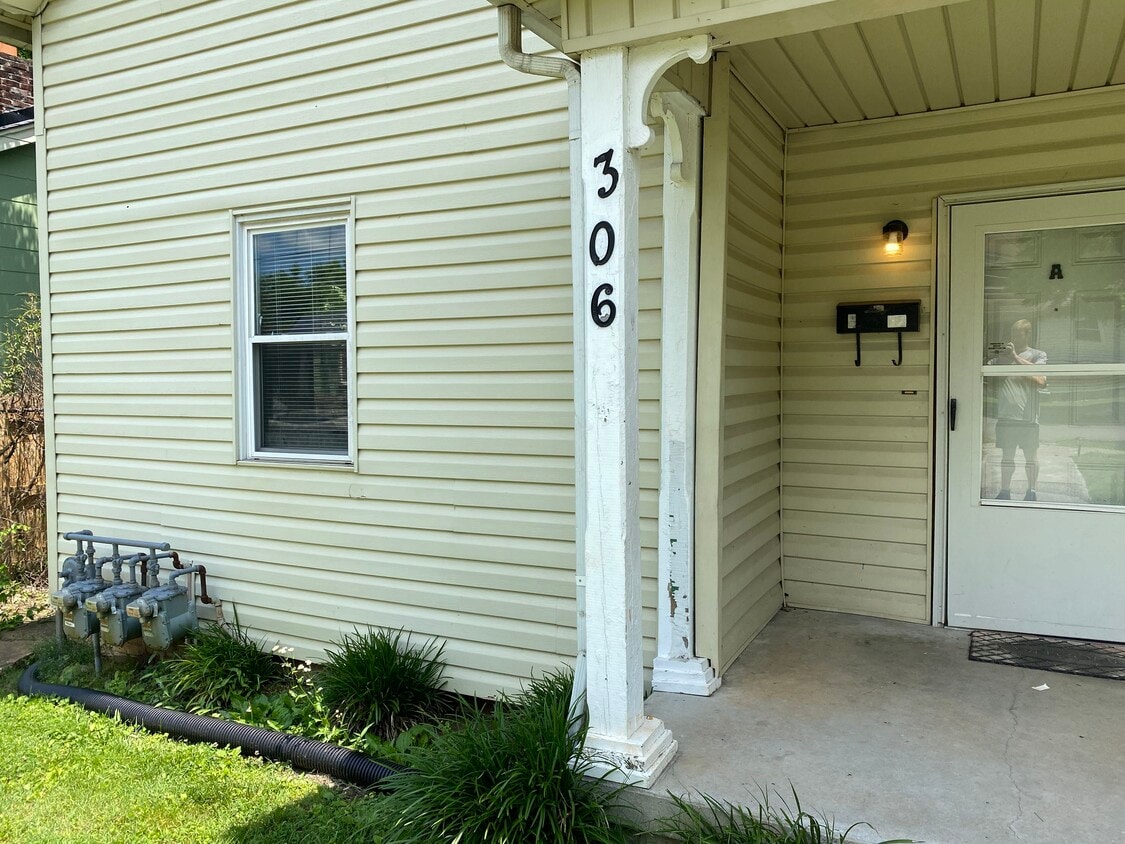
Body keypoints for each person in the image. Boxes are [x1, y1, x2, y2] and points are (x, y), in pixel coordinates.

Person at [988, 319, 1047, 501]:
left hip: (1028, 418)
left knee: (1031, 457)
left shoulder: (1038, 355)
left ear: (1028, 334)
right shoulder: (1001, 357)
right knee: (1007, 456)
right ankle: (1005, 491)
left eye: (1018, 334)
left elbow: (1040, 380)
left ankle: (1032, 491)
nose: (1013, 337)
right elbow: (983, 373)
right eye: (1012, 333)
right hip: (1006, 415)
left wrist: (1014, 357)